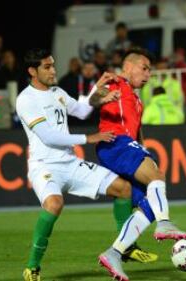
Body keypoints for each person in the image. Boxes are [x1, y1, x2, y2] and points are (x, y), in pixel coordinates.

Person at [16, 48, 137, 281]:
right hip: (45, 166)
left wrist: (97, 92)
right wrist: (88, 138)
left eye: (53, 65)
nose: (53, 70)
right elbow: (48, 136)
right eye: (47, 67)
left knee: (123, 188)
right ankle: (32, 267)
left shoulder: (57, 92)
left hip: (70, 162)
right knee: (54, 204)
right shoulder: (26, 100)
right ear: (33, 71)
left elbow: (81, 111)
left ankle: (126, 247)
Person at [88, 48, 186, 280]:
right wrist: (99, 96)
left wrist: (143, 149)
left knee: (150, 204)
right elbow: (92, 100)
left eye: (150, 71)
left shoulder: (136, 99)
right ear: (127, 67)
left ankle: (114, 253)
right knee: (157, 177)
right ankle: (165, 224)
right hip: (114, 142)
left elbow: (136, 131)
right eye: (144, 68)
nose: (147, 75)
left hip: (126, 146)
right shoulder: (115, 82)